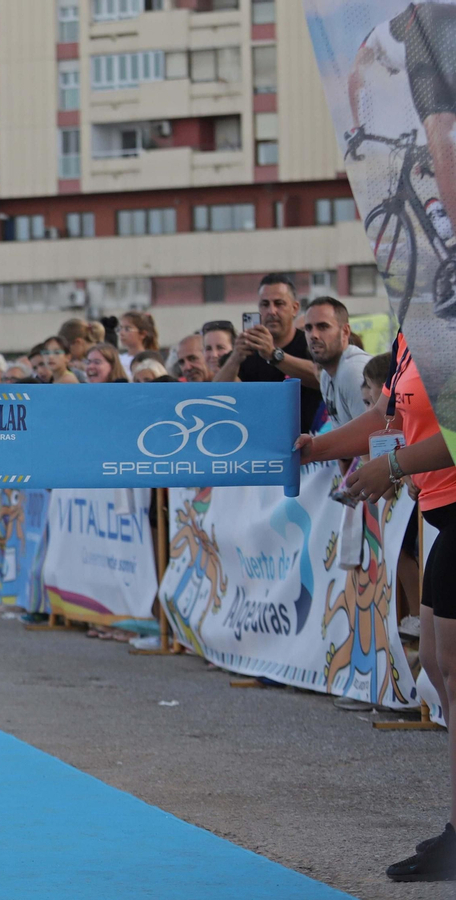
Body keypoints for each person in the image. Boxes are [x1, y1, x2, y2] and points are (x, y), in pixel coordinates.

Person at [298, 332, 456, 881]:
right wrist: (317, 446)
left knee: (452, 670)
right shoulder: (415, 326)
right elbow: (389, 418)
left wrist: (391, 469)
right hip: (440, 508)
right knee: (438, 667)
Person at [349, 2, 456, 254]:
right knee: (432, 156)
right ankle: (436, 206)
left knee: (440, 141)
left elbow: (356, 75)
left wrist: (356, 126)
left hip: (427, 47)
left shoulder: (379, 35)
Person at [213, 273, 324, 432]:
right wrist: (235, 358)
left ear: (295, 308)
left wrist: (274, 356)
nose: (271, 311)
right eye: (265, 304)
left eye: (279, 304)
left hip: (308, 444)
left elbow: (322, 377)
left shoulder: (310, 343)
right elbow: (214, 395)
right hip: (261, 446)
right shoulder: (247, 350)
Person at [304, 296, 373, 428]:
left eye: (323, 327)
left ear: (345, 331)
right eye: (308, 328)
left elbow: (371, 438)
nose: (313, 335)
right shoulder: (325, 376)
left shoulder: (354, 371)